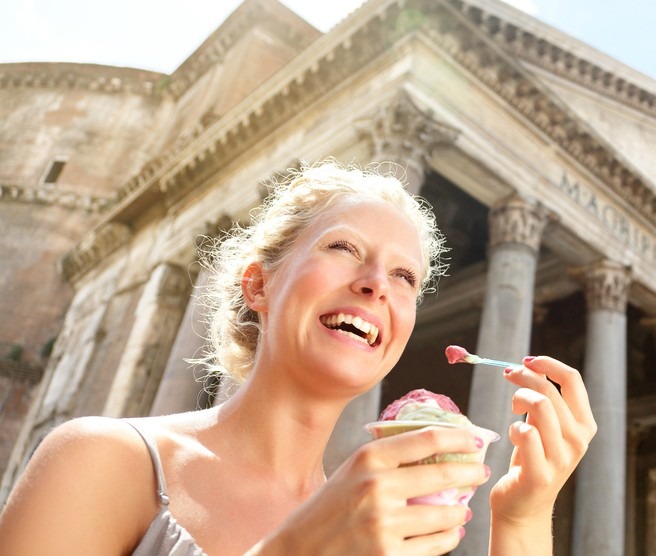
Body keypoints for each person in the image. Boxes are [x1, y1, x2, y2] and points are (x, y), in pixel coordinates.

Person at [0, 161, 597, 555]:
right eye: (344, 248)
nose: (376, 284)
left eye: (404, 276)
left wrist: (521, 517)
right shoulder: (100, 461)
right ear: (258, 285)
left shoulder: (379, 522)